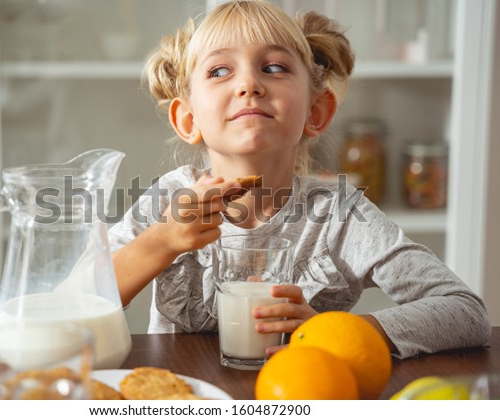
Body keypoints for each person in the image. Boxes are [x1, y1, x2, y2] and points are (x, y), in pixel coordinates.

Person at [108, 0, 491, 359]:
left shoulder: (339, 215)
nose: (249, 85)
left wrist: (334, 332)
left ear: (316, 112)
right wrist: (161, 241)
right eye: (219, 71)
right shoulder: (171, 201)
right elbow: (79, 300)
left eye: (274, 67)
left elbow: (465, 310)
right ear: (188, 120)